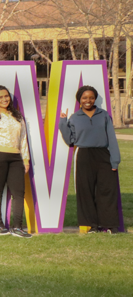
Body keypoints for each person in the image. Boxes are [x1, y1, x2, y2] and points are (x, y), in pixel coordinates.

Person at [59, 86, 121, 234]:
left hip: (103, 154)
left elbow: (111, 138)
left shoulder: (104, 115)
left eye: (91, 97)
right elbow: (70, 140)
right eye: (84, 98)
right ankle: (91, 225)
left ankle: (109, 225)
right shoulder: (74, 117)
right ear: (79, 99)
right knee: (85, 191)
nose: (88, 100)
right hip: (84, 155)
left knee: (107, 190)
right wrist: (63, 122)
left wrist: (115, 160)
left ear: (95, 99)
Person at [0, 85, 31, 238]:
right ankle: (0, 226)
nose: (4, 99)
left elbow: (23, 139)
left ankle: (17, 228)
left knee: (19, 192)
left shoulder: (17, 116)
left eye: (6, 96)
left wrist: (26, 159)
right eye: (0, 97)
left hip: (15, 157)